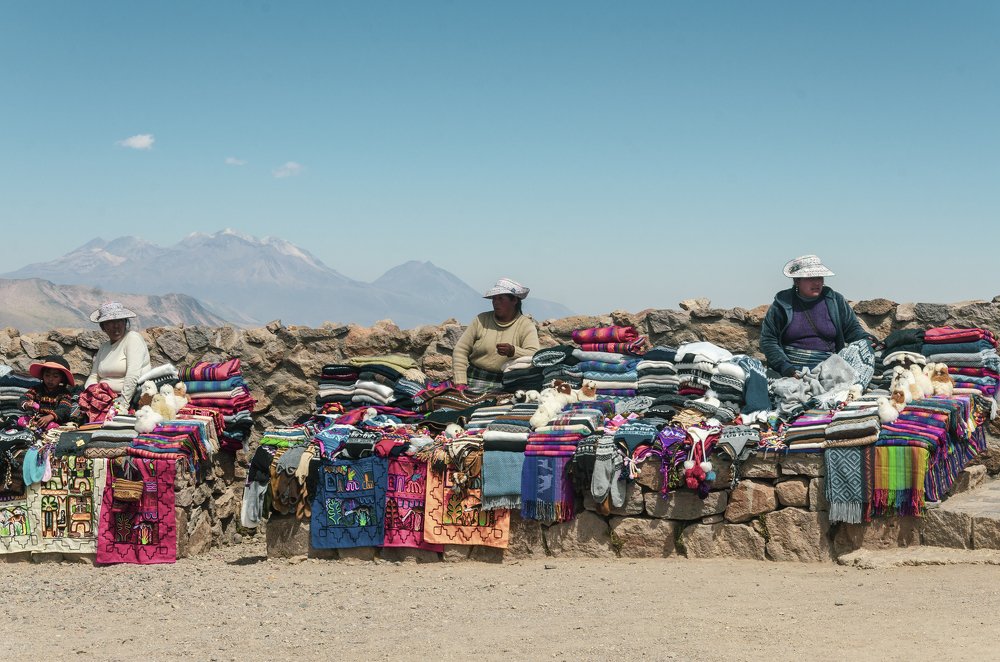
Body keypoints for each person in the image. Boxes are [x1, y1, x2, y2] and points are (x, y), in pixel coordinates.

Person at [760, 255, 867, 378]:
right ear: (797, 281)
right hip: (792, 369)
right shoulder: (782, 304)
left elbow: (852, 329)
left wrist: (867, 340)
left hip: (829, 367)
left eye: (820, 278)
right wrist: (785, 367)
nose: (817, 282)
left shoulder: (835, 300)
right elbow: (768, 340)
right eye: (810, 278)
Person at [452, 277, 540, 393]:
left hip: (507, 385)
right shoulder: (481, 320)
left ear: (514, 300)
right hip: (474, 379)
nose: (495, 302)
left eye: (501, 298)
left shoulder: (525, 325)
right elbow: (460, 350)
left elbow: (535, 354)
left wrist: (513, 351)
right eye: (494, 298)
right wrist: (460, 381)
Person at [84, 302, 152, 407]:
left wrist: (122, 403)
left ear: (125, 322)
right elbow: (94, 376)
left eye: (119, 321)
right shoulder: (104, 347)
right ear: (103, 327)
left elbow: (133, 375)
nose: (116, 326)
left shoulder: (132, 339)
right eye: (110, 322)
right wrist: (89, 393)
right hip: (103, 398)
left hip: (128, 399)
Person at [19, 355, 75, 430]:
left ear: (62, 378)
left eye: (55, 376)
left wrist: (50, 417)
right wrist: (27, 404)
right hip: (36, 420)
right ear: (43, 375)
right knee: (21, 421)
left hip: (53, 421)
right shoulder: (36, 389)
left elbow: (64, 409)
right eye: (47, 375)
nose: (50, 379)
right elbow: (24, 398)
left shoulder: (64, 393)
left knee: (52, 426)